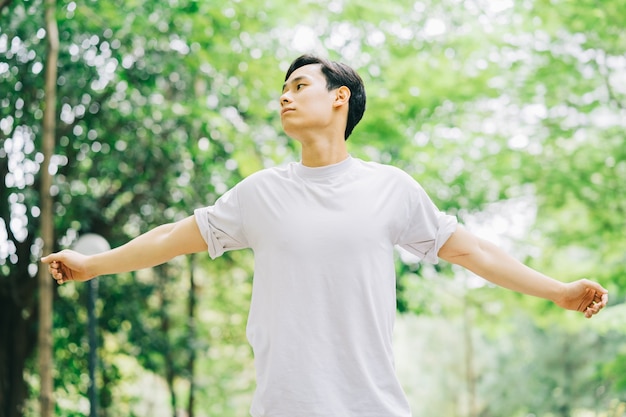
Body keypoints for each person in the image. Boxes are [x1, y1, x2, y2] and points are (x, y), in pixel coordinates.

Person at [42, 54, 609, 417]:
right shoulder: (259, 193)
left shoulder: (391, 189)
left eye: (299, 85)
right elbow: (171, 237)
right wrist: (94, 265)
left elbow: (474, 251)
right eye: (282, 90)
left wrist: (557, 290)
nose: (284, 96)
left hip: (373, 408)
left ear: (340, 97)